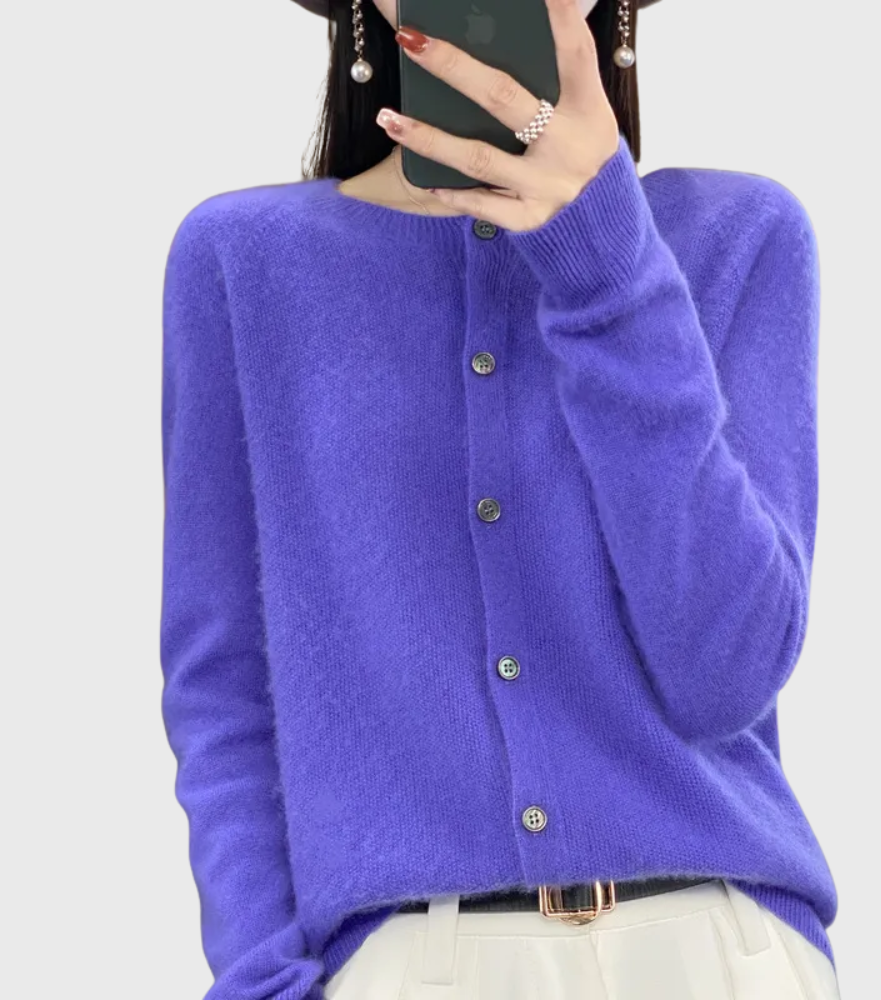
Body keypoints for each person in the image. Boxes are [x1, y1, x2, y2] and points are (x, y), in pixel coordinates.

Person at [158, 0, 842, 997]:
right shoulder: (243, 261)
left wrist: (605, 261)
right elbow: (222, 686)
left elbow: (727, 671)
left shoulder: (739, 234)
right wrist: (262, 980)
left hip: (718, 949)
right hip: (412, 960)